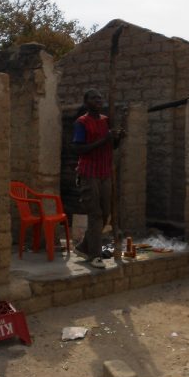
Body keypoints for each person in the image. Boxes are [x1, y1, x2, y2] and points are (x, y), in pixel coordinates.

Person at [71, 89, 124, 269]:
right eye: (94, 98)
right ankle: (95, 255)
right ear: (86, 102)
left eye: (100, 98)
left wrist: (117, 139)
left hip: (105, 173)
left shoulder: (106, 121)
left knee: (105, 214)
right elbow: (78, 150)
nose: (98, 100)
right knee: (95, 214)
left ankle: (84, 246)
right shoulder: (82, 123)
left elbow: (112, 146)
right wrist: (104, 139)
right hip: (89, 173)